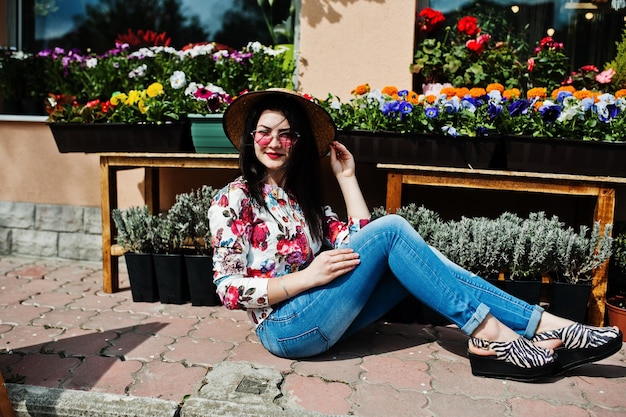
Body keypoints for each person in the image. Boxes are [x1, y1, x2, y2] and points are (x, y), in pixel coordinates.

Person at [208, 88, 622, 382]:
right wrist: (306, 278)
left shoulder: (301, 200)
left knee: (423, 260)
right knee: (396, 231)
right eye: (264, 132)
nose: (274, 143)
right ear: (249, 139)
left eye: (286, 135)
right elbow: (227, 288)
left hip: (321, 312)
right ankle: (496, 336)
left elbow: (360, 241)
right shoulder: (235, 199)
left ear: (297, 144)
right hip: (284, 329)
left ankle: (548, 326)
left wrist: (348, 179)